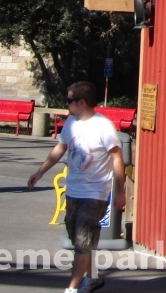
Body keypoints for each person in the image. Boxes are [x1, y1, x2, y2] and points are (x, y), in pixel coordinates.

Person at [28, 81, 125, 293]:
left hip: (95, 193)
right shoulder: (71, 122)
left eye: (70, 100)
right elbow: (60, 148)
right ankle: (92, 278)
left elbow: (117, 157)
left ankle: (72, 288)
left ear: (82, 102)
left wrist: (120, 191)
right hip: (73, 191)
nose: (67, 104)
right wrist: (40, 171)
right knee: (79, 239)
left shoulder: (103, 126)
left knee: (82, 242)